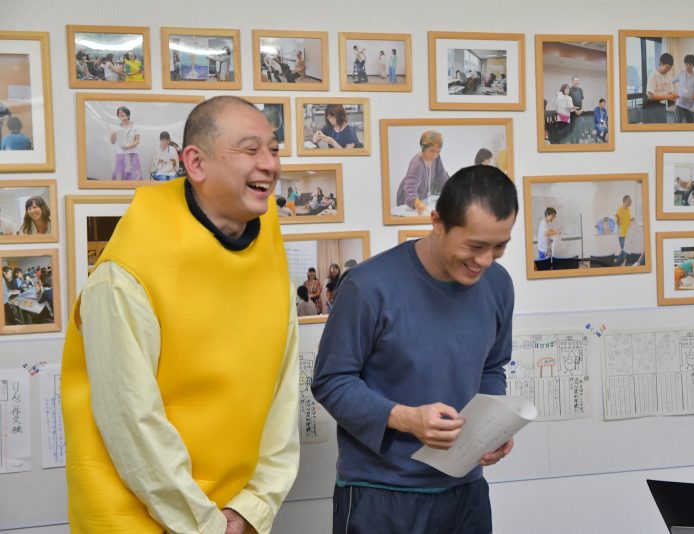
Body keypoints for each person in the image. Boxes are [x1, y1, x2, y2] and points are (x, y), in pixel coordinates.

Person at [61, 96, 300, 533]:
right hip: (138, 516)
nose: (270, 164)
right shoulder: (128, 269)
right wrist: (206, 524)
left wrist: (256, 505)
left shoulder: (268, 245)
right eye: (251, 150)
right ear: (195, 163)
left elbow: (283, 390)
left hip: (233, 514)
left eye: (274, 149)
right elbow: (131, 421)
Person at [312, 165, 518, 534]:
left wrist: (494, 425)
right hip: (380, 494)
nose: (486, 261)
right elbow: (331, 381)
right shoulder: (368, 287)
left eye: (499, 246)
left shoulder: (498, 285)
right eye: (474, 246)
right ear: (437, 221)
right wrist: (406, 419)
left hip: (466, 492)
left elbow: (492, 366)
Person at [396, 130, 450, 213]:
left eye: (438, 151)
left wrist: (450, 189)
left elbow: (441, 174)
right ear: (424, 148)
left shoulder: (436, 158)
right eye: (432, 151)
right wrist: (416, 203)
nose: (435, 155)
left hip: (423, 199)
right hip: (409, 202)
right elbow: (410, 188)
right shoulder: (417, 164)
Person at [110, 106, 142, 181]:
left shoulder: (135, 126)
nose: (120, 114)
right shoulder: (116, 127)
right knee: (119, 172)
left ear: (128, 115)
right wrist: (112, 135)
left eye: (122, 113)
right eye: (119, 113)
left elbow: (137, 141)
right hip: (120, 153)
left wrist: (128, 146)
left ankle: (132, 186)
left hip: (132, 152)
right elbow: (113, 142)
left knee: (133, 172)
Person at [644, 53, 677, 123]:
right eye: (667, 67)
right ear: (661, 63)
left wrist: (674, 95)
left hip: (662, 105)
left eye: (670, 68)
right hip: (651, 106)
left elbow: (671, 91)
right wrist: (667, 97)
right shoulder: (653, 76)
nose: (668, 70)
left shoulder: (669, 76)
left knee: (662, 125)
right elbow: (651, 96)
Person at [673, 54, 694, 123]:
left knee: (690, 125)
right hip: (680, 103)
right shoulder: (681, 73)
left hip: (690, 106)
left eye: (690, 65)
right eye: (686, 64)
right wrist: (672, 90)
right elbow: (671, 81)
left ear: (693, 65)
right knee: (677, 124)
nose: (688, 67)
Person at [615, 195, 633, 260]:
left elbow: (627, 221)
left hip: (628, 234)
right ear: (625, 201)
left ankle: (622, 264)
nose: (631, 201)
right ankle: (617, 264)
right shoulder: (620, 210)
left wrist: (631, 220)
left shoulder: (629, 210)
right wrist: (618, 219)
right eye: (629, 200)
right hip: (622, 235)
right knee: (624, 251)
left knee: (626, 251)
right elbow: (618, 223)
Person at [568, 76, 584, 142]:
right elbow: (569, 102)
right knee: (572, 129)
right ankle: (572, 144)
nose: (577, 82)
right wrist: (575, 110)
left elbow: (582, 100)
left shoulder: (580, 90)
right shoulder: (569, 90)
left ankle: (577, 143)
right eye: (575, 80)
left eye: (578, 81)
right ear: (572, 81)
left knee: (579, 129)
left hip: (579, 113)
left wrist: (581, 110)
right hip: (572, 113)